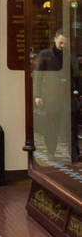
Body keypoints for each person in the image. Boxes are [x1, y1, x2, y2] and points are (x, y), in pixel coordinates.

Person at [34, 31, 81, 162]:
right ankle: (50, 151)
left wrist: (78, 93)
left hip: (68, 96)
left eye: (65, 43)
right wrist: (38, 95)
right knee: (52, 126)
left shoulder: (70, 56)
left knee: (71, 126)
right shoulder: (45, 55)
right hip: (51, 96)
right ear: (54, 39)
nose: (62, 45)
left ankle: (74, 154)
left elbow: (76, 76)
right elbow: (38, 76)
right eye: (60, 42)